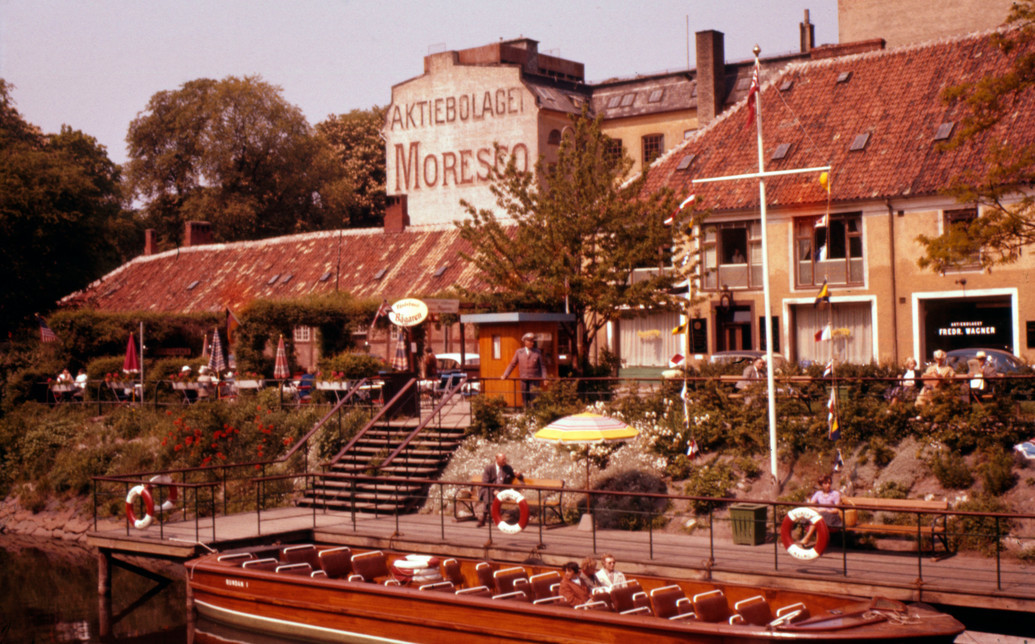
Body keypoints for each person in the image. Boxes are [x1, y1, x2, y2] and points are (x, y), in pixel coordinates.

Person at [477, 453, 525, 527]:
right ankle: (492, 516)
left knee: (489, 494)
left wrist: (519, 475)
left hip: (502, 491)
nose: (505, 461)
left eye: (505, 459)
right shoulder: (489, 468)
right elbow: (485, 483)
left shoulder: (508, 468)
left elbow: (517, 475)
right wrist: (493, 490)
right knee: (488, 492)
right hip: (489, 488)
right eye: (503, 460)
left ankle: (485, 517)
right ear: (497, 459)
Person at [501, 332, 547, 407]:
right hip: (523, 379)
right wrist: (505, 374)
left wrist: (545, 378)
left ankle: (534, 414)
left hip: (534, 379)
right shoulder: (519, 352)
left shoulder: (537, 352)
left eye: (533, 341)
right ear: (525, 342)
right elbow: (512, 364)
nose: (532, 343)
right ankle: (526, 413)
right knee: (525, 398)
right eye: (530, 341)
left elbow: (542, 366)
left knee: (534, 398)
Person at [799, 474, 842, 548]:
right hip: (820, 515)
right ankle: (818, 545)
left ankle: (808, 537)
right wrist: (818, 509)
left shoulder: (835, 494)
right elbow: (810, 505)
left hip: (831, 516)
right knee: (818, 516)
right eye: (826, 483)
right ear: (822, 484)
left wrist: (825, 510)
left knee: (820, 516)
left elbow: (836, 510)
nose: (828, 485)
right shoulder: (818, 494)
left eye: (829, 483)